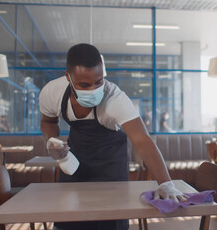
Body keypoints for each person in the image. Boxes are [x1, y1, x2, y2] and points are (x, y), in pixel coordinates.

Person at [39, 43, 187, 230]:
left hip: (111, 167)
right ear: (68, 77)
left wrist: (166, 184)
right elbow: (48, 121)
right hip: (74, 163)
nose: (93, 89)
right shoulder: (52, 92)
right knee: (69, 221)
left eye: (99, 81)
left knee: (110, 223)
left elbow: (142, 139)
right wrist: (52, 141)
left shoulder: (115, 99)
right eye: (84, 84)